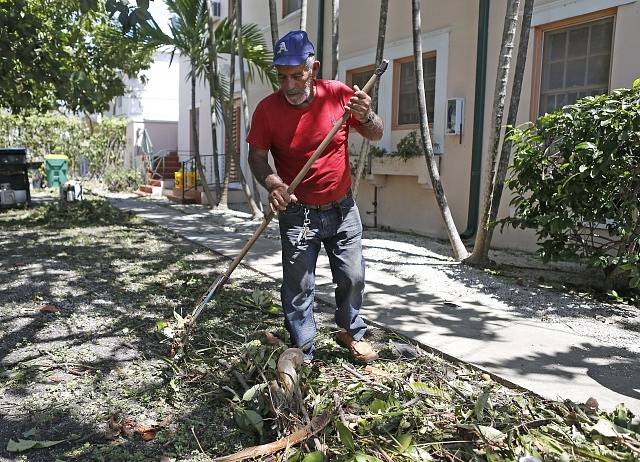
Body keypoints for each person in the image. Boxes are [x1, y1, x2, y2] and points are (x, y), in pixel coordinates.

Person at [247, 30, 384, 363]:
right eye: (282, 77)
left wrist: (366, 115)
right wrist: (274, 183)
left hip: (342, 209)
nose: (290, 85)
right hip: (299, 214)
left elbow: (376, 132)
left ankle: (351, 332)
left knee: (352, 276)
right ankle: (303, 350)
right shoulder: (267, 110)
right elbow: (255, 156)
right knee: (299, 286)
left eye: (297, 75)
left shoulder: (338, 95)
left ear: (314, 67)